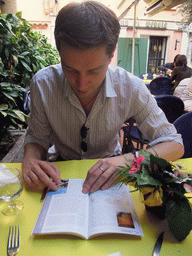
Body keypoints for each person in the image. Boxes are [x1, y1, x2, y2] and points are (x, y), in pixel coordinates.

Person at [22, 1, 184, 194]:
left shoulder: (130, 87)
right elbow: (37, 137)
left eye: (94, 71)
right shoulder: (43, 84)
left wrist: (127, 160)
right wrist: (31, 159)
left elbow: (174, 144)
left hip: (115, 169)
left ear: (111, 56)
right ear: (59, 54)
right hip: (60, 170)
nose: (81, 84)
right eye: (70, 69)